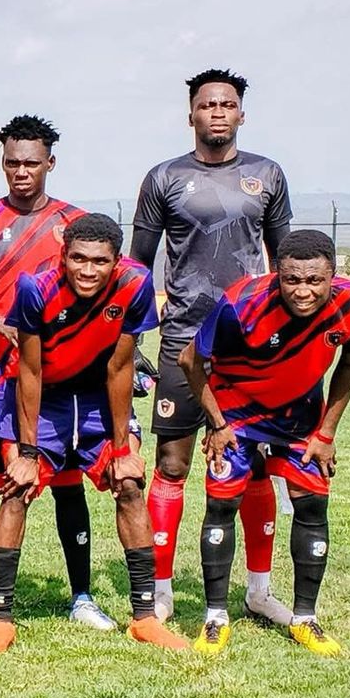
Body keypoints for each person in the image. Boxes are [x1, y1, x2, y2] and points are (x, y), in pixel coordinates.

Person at [130, 68, 294, 624]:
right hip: (182, 338)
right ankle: (161, 590)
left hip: (248, 346)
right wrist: (132, 339)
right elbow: (137, 265)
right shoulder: (164, 178)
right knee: (172, 464)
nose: (217, 112)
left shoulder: (266, 175)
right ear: (191, 115)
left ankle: (258, 590)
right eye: (207, 104)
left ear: (241, 113)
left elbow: (285, 262)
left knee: (257, 465)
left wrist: (283, 339)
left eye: (227, 104)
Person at [0, 214, 188, 653]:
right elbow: (30, 371)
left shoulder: (134, 283)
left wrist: (122, 449)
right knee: (16, 489)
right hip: (45, 398)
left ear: (116, 260)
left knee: (129, 483)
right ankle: (0, 619)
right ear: (63, 256)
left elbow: (119, 366)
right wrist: (28, 453)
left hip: (97, 397)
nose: (88, 270)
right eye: (78, 259)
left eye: (99, 261)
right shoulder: (35, 288)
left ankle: (145, 618)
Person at [0, 115, 113, 634]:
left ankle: (81, 596)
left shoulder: (74, 224)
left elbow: (103, 292)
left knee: (66, 483)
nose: (21, 172)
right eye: (12, 162)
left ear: (50, 163)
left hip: (61, 378)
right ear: (3, 163)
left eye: (31, 163)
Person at [179, 230, 350, 656]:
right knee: (221, 505)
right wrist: (217, 423)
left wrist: (326, 434)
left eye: (314, 281)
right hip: (236, 415)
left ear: (333, 275)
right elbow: (190, 360)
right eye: (292, 280)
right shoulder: (242, 302)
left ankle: (305, 619)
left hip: (300, 419)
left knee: (312, 504)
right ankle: (215, 618)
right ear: (277, 275)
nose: (303, 291)